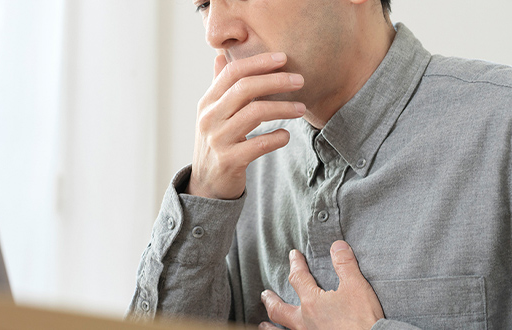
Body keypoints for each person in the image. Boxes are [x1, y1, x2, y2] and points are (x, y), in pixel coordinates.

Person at [129, 0, 512, 328]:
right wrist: (203, 197)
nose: (215, 32)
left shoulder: (502, 127)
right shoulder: (235, 177)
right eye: (203, 5)